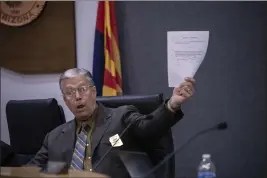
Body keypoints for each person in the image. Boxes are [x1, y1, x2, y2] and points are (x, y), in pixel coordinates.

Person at [28, 68, 195, 177]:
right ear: (65, 100)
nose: (77, 96)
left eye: (82, 89)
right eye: (70, 93)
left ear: (93, 92)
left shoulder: (121, 117)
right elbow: (29, 171)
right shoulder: (54, 137)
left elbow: (149, 128)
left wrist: (172, 104)